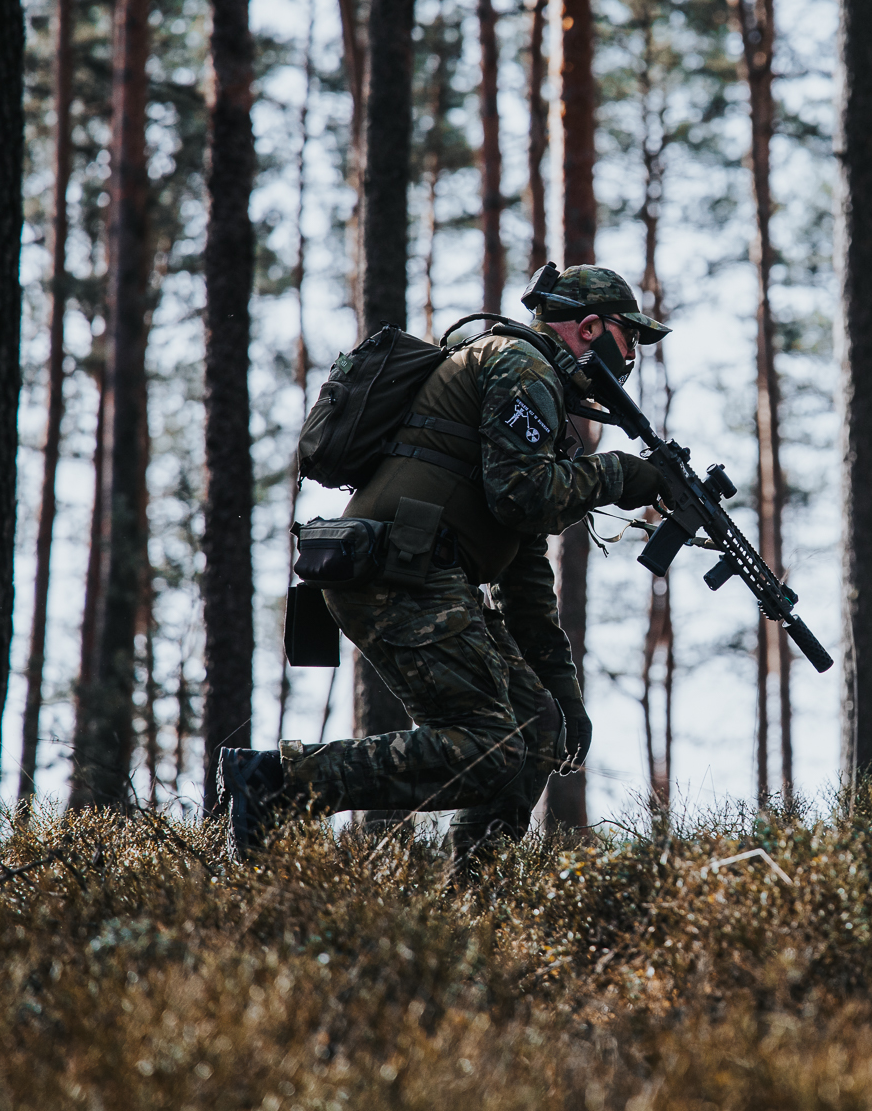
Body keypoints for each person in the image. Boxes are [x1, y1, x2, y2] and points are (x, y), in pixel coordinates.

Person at [221, 265, 670, 865]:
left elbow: (522, 564)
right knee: (490, 745)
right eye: (627, 337)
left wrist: (563, 692)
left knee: (535, 728)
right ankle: (278, 781)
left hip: (419, 571)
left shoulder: (536, 385)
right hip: (399, 571)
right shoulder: (520, 365)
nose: (631, 354)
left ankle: (470, 897)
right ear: (589, 328)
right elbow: (524, 496)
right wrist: (621, 475)